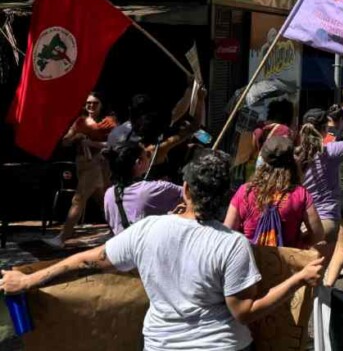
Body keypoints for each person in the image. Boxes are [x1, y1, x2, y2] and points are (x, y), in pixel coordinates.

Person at [1, 149, 325, 351]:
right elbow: (245, 311)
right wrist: (297, 279)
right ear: (226, 194)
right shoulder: (232, 245)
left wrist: (28, 281)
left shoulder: (148, 230)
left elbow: (87, 260)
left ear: (185, 189)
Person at [296, 94, 343, 269]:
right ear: (325, 129)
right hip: (326, 221)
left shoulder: (295, 154)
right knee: (317, 277)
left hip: (301, 222)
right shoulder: (330, 152)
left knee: (302, 276)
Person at [44, 93, 119, 249]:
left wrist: (92, 143)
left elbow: (115, 145)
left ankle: (63, 237)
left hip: (98, 164)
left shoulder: (109, 123)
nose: (91, 106)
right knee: (104, 200)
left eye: (95, 103)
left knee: (78, 199)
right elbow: (65, 142)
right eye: (88, 103)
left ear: (102, 104)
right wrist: (75, 137)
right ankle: (119, 231)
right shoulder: (80, 121)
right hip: (82, 165)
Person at [225, 137, 324, 249]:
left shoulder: (245, 191)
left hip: (249, 259)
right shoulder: (301, 195)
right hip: (284, 262)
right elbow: (318, 235)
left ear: (263, 161)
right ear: (292, 162)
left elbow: (228, 231)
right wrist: (299, 242)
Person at [104, 143, 183, 235]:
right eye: (147, 155)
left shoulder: (109, 194)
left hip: (122, 247)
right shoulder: (157, 188)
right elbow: (191, 193)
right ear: (139, 163)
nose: (150, 159)